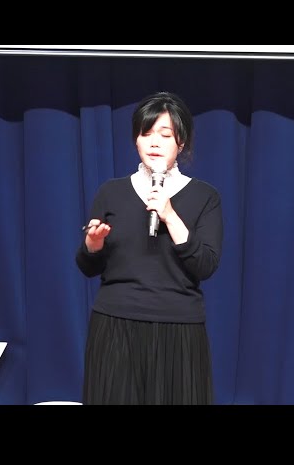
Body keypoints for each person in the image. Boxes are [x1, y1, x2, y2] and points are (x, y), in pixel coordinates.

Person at [75, 91, 223, 405]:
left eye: (165, 135)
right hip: (115, 325)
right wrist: (93, 244)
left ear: (181, 142)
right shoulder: (111, 192)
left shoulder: (205, 197)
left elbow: (205, 265)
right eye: (146, 133)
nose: (154, 142)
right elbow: (88, 266)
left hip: (178, 330)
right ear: (136, 140)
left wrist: (170, 215)